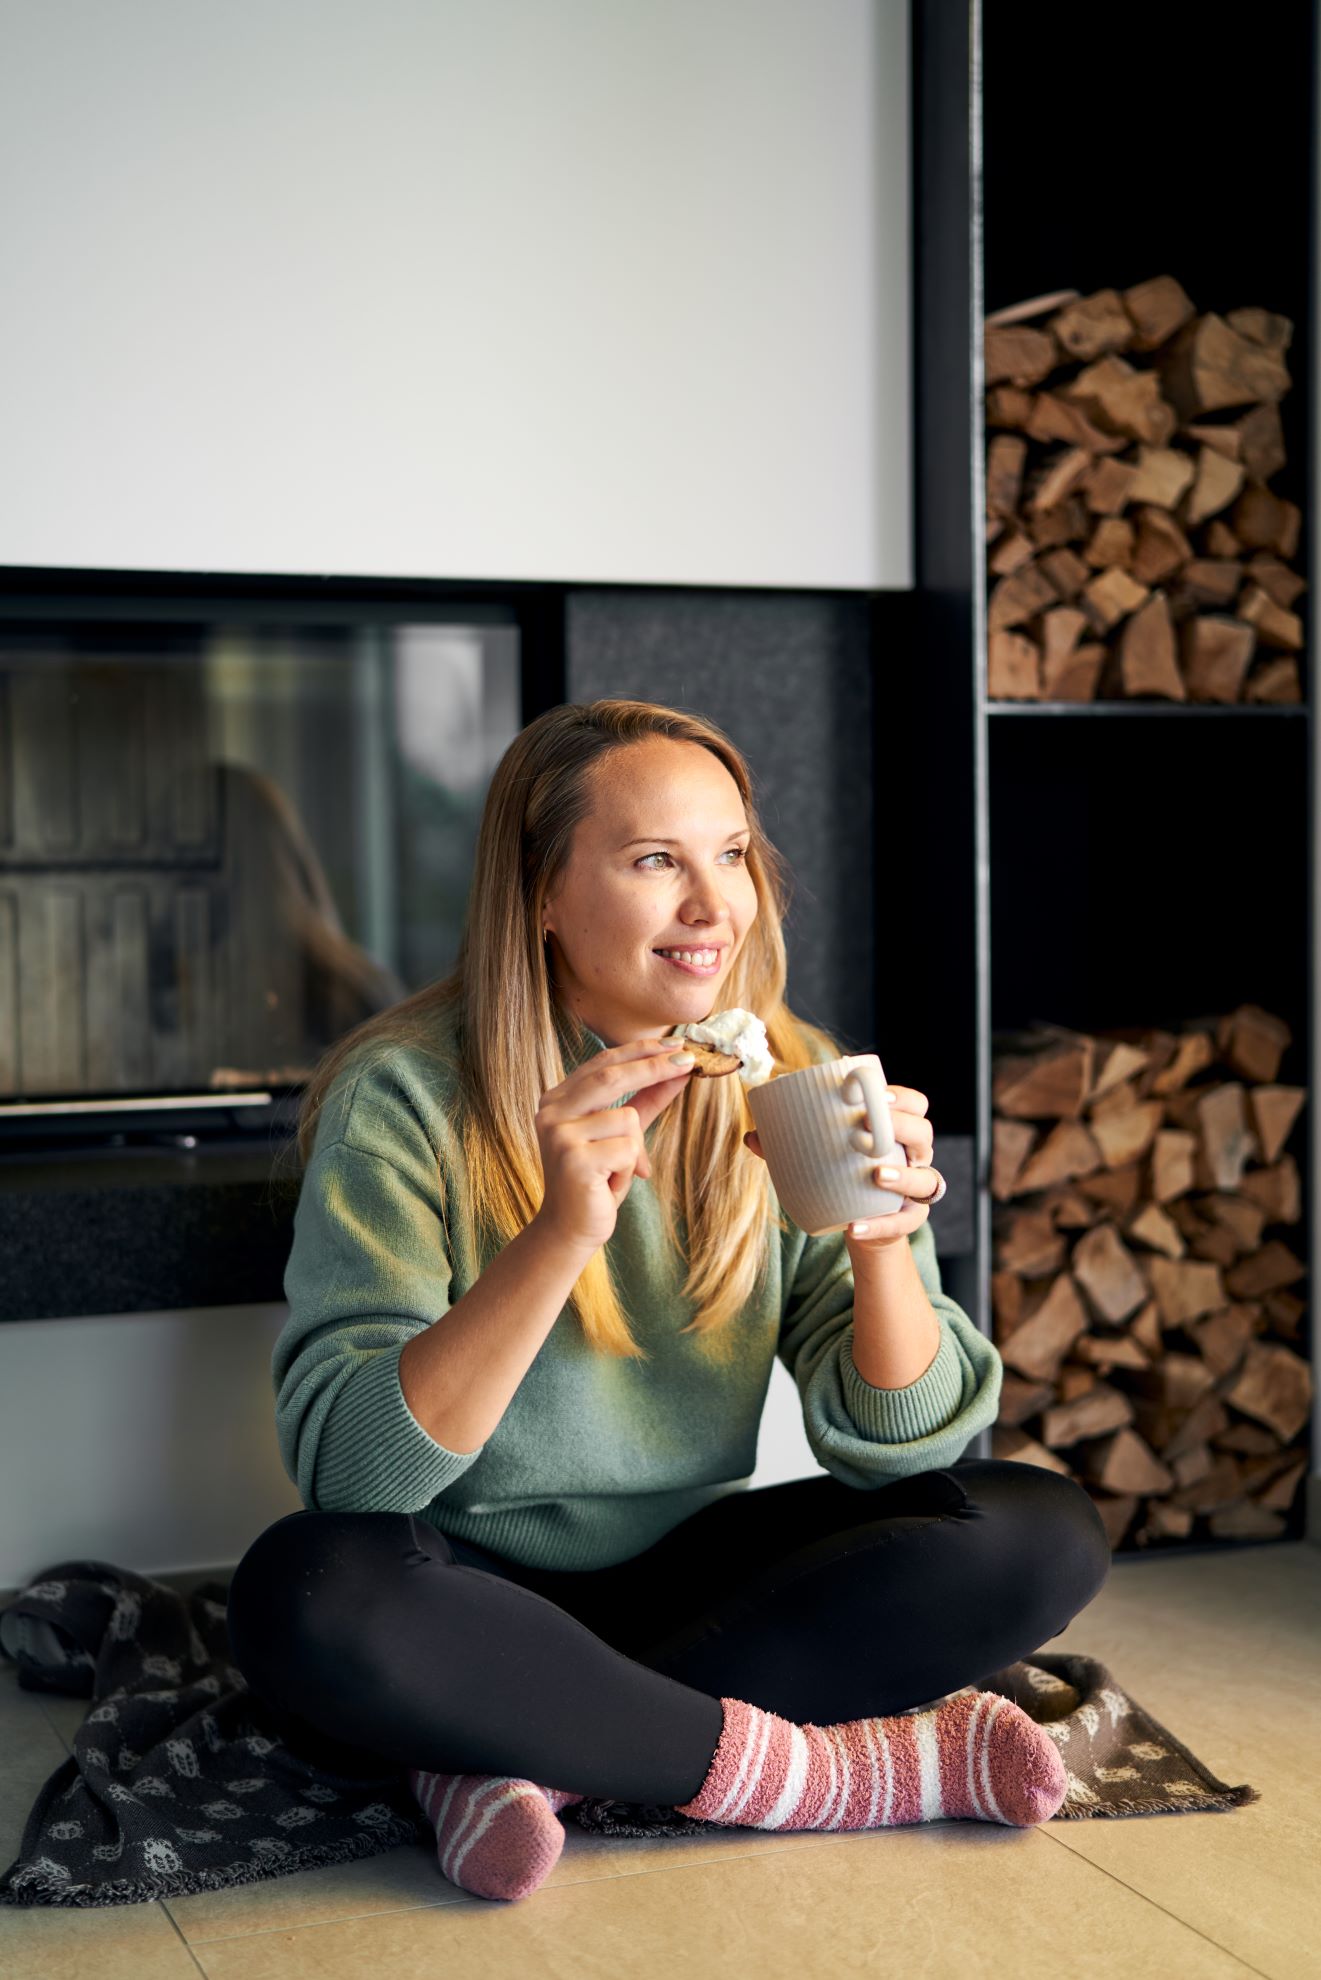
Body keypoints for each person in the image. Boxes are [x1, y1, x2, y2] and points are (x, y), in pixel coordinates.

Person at [226, 698, 1111, 1903]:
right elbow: (355, 1479)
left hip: (688, 1573)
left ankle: (516, 1747)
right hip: (468, 1582)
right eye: (656, 861)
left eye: (732, 856)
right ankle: (818, 1773)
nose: (714, 907)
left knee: (1039, 1528)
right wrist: (558, 1234)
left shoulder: (787, 1073)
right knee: (306, 1594)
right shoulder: (406, 1096)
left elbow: (914, 1451)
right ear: (540, 894)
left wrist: (884, 1244)